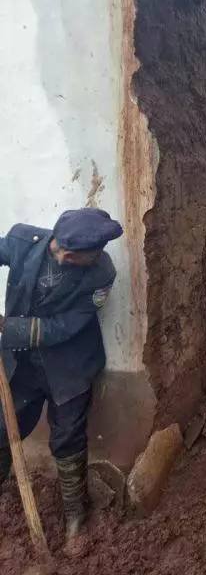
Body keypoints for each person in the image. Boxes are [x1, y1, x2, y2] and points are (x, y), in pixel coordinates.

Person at [0, 208, 123, 553]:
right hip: (22, 363)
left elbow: (66, 327)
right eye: (61, 249)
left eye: (75, 256)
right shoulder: (26, 241)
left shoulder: (101, 273)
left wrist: (7, 328)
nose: (98, 256)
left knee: (67, 437)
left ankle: (75, 518)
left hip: (69, 363)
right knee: (1, 426)